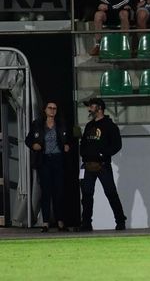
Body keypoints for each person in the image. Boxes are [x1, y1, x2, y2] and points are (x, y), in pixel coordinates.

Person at [79, 98, 127, 232]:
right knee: (86, 195)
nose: (89, 109)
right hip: (88, 165)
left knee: (111, 193)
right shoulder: (89, 125)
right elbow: (83, 143)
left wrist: (103, 154)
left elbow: (117, 145)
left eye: (91, 106)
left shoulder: (110, 126)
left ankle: (120, 221)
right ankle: (86, 223)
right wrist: (84, 154)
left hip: (103, 165)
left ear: (99, 108)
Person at [25, 101, 70, 233]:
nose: (52, 110)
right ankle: (45, 222)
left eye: (54, 108)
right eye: (50, 108)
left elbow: (69, 139)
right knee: (46, 192)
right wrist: (34, 145)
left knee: (59, 192)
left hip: (58, 159)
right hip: (44, 160)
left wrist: (67, 145)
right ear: (44, 110)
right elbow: (28, 139)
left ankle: (60, 222)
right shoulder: (38, 123)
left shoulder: (61, 123)